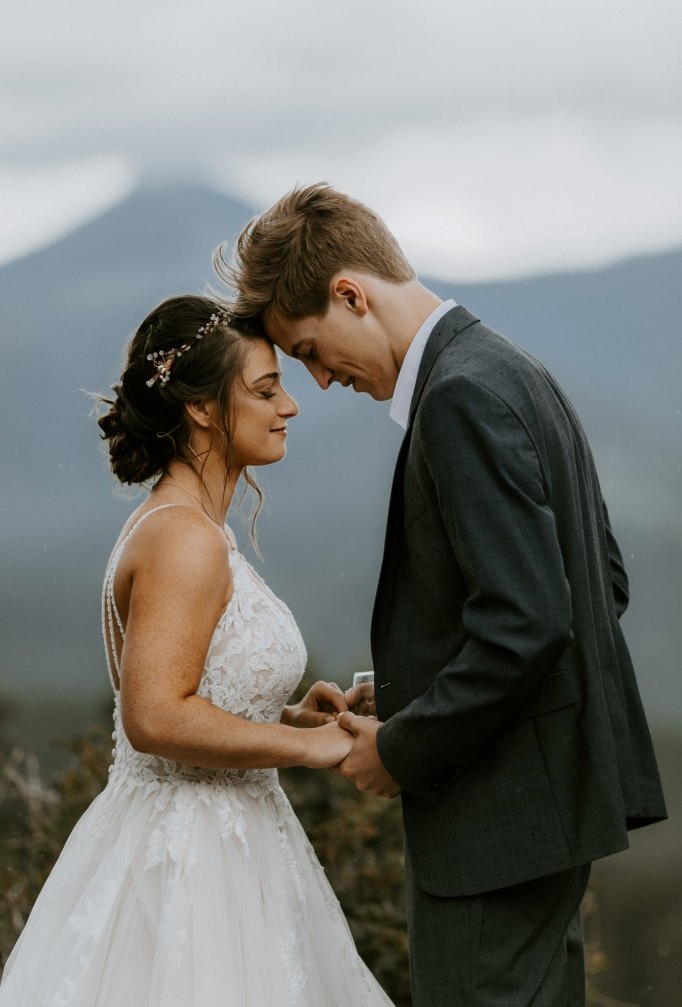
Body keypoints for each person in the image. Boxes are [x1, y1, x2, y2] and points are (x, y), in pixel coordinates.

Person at [219, 184, 668, 1007]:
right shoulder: (512, 368)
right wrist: (403, 690)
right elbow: (596, 581)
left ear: (352, 293)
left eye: (312, 348)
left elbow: (528, 624)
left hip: (495, 831)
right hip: (544, 821)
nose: (318, 380)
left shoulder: (459, 397)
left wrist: (403, 746)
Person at [0, 294, 395, 1007]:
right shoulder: (184, 537)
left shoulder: (190, 526)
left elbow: (189, 687)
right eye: (267, 389)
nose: (291, 406)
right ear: (204, 409)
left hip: (230, 841)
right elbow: (154, 716)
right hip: (192, 861)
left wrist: (292, 713)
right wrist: (313, 750)